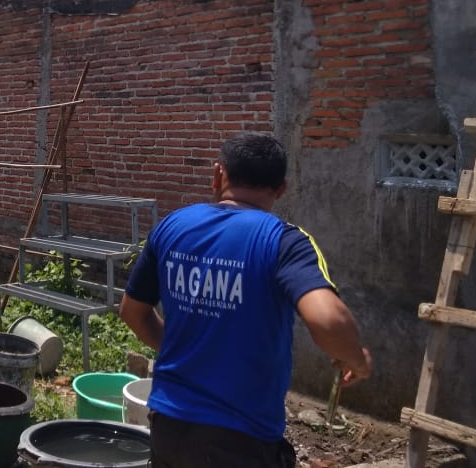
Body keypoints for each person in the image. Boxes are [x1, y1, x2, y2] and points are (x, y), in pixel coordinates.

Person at [119, 132, 372, 468]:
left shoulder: (172, 227)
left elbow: (133, 313)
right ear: (282, 189)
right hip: (240, 439)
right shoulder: (286, 242)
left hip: (168, 426)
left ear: (218, 174)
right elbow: (327, 320)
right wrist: (356, 360)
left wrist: (186, 351)